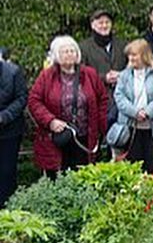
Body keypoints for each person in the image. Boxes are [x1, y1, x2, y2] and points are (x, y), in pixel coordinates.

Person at [27, 36, 108, 177]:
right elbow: (34, 101)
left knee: (83, 177)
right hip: (59, 138)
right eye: (65, 51)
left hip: (85, 138)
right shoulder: (47, 76)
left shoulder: (89, 74)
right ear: (57, 55)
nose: (70, 54)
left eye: (72, 51)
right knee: (58, 178)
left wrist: (102, 128)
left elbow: (102, 99)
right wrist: (50, 121)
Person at [112, 39, 153, 173]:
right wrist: (135, 112)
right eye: (130, 55)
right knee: (133, 165)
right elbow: (119, 97)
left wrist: (147, 112)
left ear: (144, 55)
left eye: (135, 55)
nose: (131, 58)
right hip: (132, 126)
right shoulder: (124, 75)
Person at [78, 8, 126, 109]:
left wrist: (121, 75)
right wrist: (104, 78)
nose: (104, 25)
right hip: (97, 101)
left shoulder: (122, 45)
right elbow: (80, 73)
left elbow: (133, 68)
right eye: (100, 23)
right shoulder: (83, 47)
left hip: (123, 100)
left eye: (107, 22)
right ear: (92, 25)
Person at [0, 53, 28, 205]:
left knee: (7, 172)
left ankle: (8, 210)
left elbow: (22, 97)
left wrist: (4, 116)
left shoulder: (13, 72)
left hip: (9, 131)